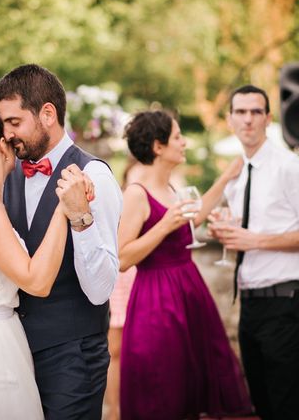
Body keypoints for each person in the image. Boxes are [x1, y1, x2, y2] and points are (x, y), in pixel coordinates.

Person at [0, 64, 122, 418]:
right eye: (3, 124)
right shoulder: (1, 173)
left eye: (15, 122)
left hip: (71, 357)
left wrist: (79, 217)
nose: (7, 135)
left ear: (47, 114)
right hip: (6, 351)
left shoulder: (94, 177)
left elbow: (100, 289)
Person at [210, 84, 299, 420]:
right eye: (241, 112)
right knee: (263, 405)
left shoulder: (291, 168)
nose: (248, 119)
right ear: (230, 120)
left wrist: (255, 240)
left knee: (287, 406)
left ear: (268, 118)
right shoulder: (240, 174)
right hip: (250, 302)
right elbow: (241, 228)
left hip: (288, 303)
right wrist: (224, 230)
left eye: (256, 112)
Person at [118, 110, 252, 420]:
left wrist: (226, 179)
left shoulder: (172, 190)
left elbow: (194, 216)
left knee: (191, 388)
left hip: (189, 294)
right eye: (177, 136)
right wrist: (163, 226)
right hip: (156, 302)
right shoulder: (135, 195)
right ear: (158, 146)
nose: (184, 142)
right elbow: (123, 258)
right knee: (165, 387)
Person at [103, 159, 142, 420]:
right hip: (121, 280)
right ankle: (115, 412)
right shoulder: (118, 201)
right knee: (114, 349)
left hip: (144, 280)